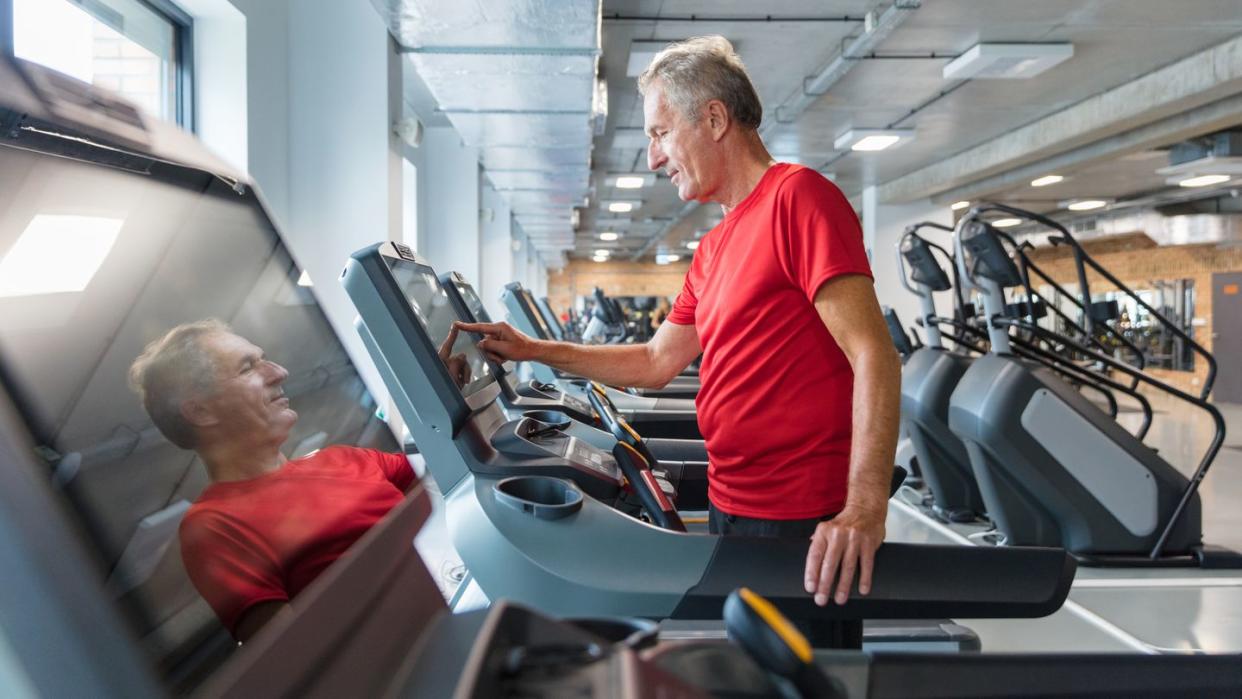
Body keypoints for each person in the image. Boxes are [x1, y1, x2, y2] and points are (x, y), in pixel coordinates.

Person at [456, 36, 900, 608]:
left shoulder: (799, 199)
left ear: (714, 119)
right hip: (731, 501)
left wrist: (864, 509)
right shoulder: (713, 248)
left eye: (660, 133)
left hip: (800, 520)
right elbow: (655, 361)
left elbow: (873, 354)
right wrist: (530, 349)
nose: (653, 157)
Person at [127, 319, 415, 641]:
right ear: (201, 412)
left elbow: (450, 479)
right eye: (247, 368)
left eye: (263, 359)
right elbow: (295, 655)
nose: (278, 372)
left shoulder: (344, 458)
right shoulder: (214, 526)